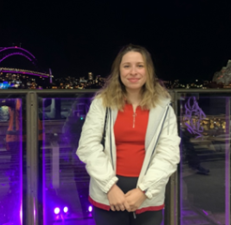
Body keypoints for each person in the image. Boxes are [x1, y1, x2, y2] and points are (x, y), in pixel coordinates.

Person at [76, 44, 180, 225]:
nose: (133, 72)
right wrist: (110, 187)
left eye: (140, 66)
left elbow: (169, 154)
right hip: (108, 194)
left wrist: (144, 191)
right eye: (127, 66)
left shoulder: (164, 108)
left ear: (148, 70)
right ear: (118, 71)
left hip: (148, 195)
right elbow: (88, 147)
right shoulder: (102, 104)